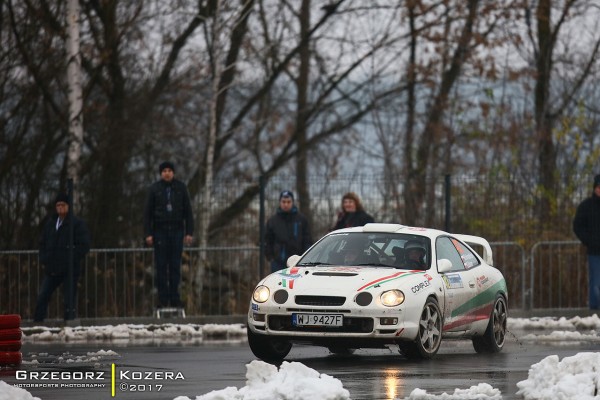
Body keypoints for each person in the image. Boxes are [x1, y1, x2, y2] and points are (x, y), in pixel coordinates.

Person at [144, 161, 194, 309]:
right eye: (164, 171)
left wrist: (189, 232)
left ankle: (175, 298)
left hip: (177, 231)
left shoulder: (181, 188)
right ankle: (162, 299)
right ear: (161, 173)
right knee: (160, 266)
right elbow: (147, 213)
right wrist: (148, 233)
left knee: (174, 267)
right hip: (160, 231)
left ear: (173, 172)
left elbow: (188, 212)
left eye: (169, 170)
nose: (167, 173)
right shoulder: (154, 189)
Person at [34, 193, 90, 322]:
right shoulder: (51, 224)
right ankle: (37, 323)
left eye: (63, 205)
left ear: (68, 206)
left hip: (69, 269)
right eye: (58, 205)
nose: (60, 208)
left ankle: (68, 323)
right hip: (52, 268)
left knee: (69, 300)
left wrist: (71, 258)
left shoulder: (76, 224)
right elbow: (42, 242)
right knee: (43, 296)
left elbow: (84, 245)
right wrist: (44, 258)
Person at [265, 190, 312, 273]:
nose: (286, 204)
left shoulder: (301, 219)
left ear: (292, 202)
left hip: (298, 262)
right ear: (280, 202)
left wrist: (305, 257)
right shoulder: (273, 221)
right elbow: (267, 240)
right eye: (283, 202)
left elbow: (307, 239)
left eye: (288, 202)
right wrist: (271, 257)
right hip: (278, 262)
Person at [573, 174, 600, 309]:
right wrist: (589, 241)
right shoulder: (586, 206)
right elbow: (577, 226)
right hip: (594, 251)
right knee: (595, 282)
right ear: (595, 188)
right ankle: (595, 311)